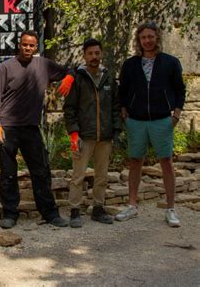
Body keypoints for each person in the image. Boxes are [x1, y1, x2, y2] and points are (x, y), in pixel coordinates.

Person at [0, 30, 74, 229]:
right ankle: (10, 213)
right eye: (24, 44)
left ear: (36, 47)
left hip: (31, 127)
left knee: (41, 171)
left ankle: (50, 213)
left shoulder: (44, 65)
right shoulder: (5, 67)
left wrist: (69, 78)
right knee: (8, 173)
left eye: (32, 45)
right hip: (7, 127)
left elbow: (70, 69)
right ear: (19, 45)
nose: (28, 48)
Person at [116, 22, 186, 227]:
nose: (147, 41)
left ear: (157, 38)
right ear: (139, 40)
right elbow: (123, 91)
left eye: (151, 37)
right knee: (135, 161)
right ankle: (132, 205)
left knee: (166, 162)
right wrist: (124, 113)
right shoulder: (130, 64)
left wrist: (176, 115)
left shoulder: (170, 62)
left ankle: (171, 208)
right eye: (143, 37)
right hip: (136, 121)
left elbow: (180, 90)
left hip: (162, 120)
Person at [63, 38, 122, 228]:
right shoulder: (78, 78)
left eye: (97, 53)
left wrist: (116, 130)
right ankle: (74, 211)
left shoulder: (109, 78)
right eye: (90, 53)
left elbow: (115, 106)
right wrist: (73, 133)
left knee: (102, 176)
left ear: (101, 54)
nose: (94, 57)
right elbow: (69, 109)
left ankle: (98, 208)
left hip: (104, 136)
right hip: (83, 136)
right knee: (78, 176)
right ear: (84, 55)